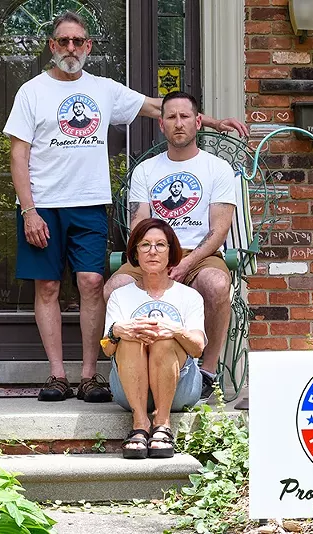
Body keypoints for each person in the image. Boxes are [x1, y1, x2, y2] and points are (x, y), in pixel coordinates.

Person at [3, 12, 247, 403]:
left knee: (92, 283)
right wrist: (28, 209)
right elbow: (18, 154)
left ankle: (88, 376)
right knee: (47, 286)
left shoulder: (104, 89)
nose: (70, 48)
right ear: (52, 46)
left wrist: (213, 123)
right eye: (63, 41)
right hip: (43, 204)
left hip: (89, 202)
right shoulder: (31, 92)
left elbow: (159, 108)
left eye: (77, 41)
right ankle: (56, 375)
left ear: (88, 47)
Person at [104, 90, 236, 403]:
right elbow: (139, 224)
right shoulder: (146, 170)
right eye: (171, 117)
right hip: (152, 249)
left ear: (198, 122)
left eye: (185, 116)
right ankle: (126, 368)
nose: (179, 123)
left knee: (217, 284)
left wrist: (186, 264)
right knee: (115, 285)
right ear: (161, 125)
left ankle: (207, 372)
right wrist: (154, 260)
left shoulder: (217, 169)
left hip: (199, 254)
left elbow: (218, 230)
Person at [101, 218, 206, 459]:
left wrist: (175, 331)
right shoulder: (120, 296)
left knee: (163, 339)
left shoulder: (189, 297)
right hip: (130, 390)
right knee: (130, 336)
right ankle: (140, 423)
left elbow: (199, 348)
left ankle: (162, 422)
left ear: (171, 252)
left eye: (160, 245)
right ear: (135, 253)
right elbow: (107, 350)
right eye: (145, 245)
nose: (152, 251)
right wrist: (117, 331)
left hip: (180, 388)